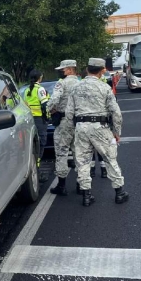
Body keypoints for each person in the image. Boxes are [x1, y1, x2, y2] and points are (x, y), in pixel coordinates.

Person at [66, 58, 130, 206]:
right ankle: (119, 192)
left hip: (81, 127)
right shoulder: (104, 87)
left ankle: (86, 196)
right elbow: (116, 112)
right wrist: (116, 131)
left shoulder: (75, 87)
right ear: (102, 71)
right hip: (100, 127)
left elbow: (69, 113)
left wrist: (73, 130)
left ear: (88, 69)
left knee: (82, 162)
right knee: (110, 158)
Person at [47, 60, 80, 196]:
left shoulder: (62, 83)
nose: (62, 71)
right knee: (79, 153)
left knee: (62, 152)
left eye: (64, 69)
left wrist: (49, 109)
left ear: (70, 69)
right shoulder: (81, 84)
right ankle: (81, 185)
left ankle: (61, 186)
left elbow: (55, 99)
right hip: (79, 121)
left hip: (64, 121)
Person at [24, 69, 50, 183]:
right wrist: (48, 117)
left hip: (30, 120)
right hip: (39, 119)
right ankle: (38, 169)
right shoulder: (40, 89)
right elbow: (45, 105)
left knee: (34, 144)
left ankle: (35, 168)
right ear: (40, 77)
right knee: (42, 143)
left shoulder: (26, 90)